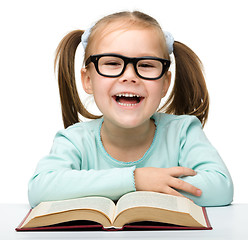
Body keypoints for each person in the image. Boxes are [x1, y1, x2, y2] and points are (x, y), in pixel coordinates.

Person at [28, 11, 233, 208]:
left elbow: (220, 187)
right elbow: (40, 189)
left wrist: (141, 185)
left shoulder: (183, 132)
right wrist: (136, 180)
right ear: (88, 80)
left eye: (145, 65)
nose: (129, 76)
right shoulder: (74, 140)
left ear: (164, 83)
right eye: (112, 63)